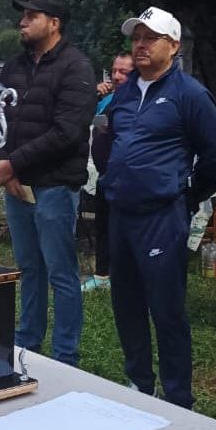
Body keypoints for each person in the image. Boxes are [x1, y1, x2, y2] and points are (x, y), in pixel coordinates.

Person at [101, 7, 216, 407]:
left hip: (162, 216)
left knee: (166, 309)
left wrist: (185, 195)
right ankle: (140, 382)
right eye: (136, 37)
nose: (140, 44)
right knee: (126, 303)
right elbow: (112, 143)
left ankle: (178, 397)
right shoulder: (122, 94)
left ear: (172, 46)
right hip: (121, 214)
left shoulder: (189, 95)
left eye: (150, 38)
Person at [0, 0, 95, 366]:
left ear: (54, 24)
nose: (22, 21)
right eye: (22, 15)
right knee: (28, 268)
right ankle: (27, 343)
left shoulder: (76, 68)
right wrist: (4, 168)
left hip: (54, 186)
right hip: (17, 187)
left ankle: (66, 355)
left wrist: (13, 163)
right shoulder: (12, 67)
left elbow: (67, 131)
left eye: (32, 16)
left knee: (60, 272)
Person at [83, 51, 134, 292]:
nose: (116, 76)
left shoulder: (137, 100)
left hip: (127, 178)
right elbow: (84, 118)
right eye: (114, 71)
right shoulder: (107, 98)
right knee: (102, 226)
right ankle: (101, 274)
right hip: (104, 175)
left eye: (124, 72)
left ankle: (125, 278)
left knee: (123, 230)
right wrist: (93, 95)